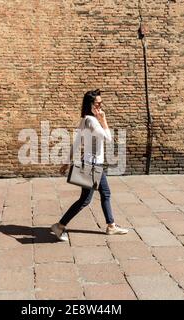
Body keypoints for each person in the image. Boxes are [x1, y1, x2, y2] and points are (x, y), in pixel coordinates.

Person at [52, 89, 129, 242]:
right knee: (85, 200)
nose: (101, 106)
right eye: (98, 103)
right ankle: (59, 226)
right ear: (90, 105)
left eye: (101, 103)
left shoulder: (84, 120)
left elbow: (76, 143)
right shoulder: (92, 121)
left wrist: (67, 163)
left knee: (104, 193)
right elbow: (108, 139)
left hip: (91, 164)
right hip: (93, 166)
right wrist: (103, 120)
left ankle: (111, 225)